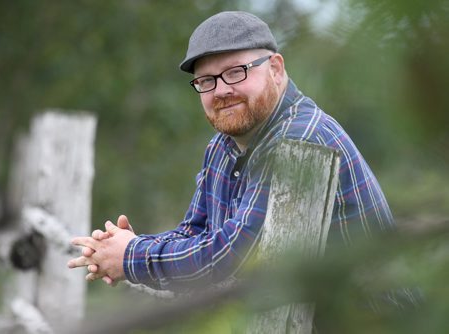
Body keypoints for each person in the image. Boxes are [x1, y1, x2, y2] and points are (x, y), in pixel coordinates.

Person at [67, 11, 394, 291]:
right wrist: (130, 246)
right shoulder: (222, 146)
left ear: (276, 69)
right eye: (206, 80)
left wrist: (131, 258)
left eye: (237, 72)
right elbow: (195, 232)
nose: (222, 90)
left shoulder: (300, 139)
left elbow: (232, 257)